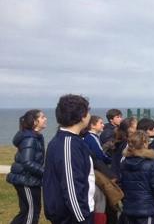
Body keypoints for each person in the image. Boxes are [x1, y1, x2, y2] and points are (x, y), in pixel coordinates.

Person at [43, 94, 95, 223]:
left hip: (77, 213)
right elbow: (71, 187)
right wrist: (82, 218)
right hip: (73, 217)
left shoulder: (70, 141)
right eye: (88, 111)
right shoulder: (68, 144)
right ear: (82, 115)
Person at [7, 109, 47, 224]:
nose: (45, 119)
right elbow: (27, 163)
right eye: (42, 117)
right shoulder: (30, 138)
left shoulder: (34, 136)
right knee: (32, 212)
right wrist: (46, 172)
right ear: (35, 122)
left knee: (25, 212)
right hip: (27, 180)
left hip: (28, 179)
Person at [120, 130, 154, 224]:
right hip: (147, 208)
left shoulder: (124, 163)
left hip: (129, 206)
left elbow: (122, 185)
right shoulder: (151, 164)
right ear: (145, 143)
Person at [83, 115, 110, 224]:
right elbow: (99, 155)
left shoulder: (90, 136)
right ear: (93, 125)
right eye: (100, 123)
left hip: (92, 170)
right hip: (95, 171)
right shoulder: (91, 137)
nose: (103, 125)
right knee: (100, 200)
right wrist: (110, 160)